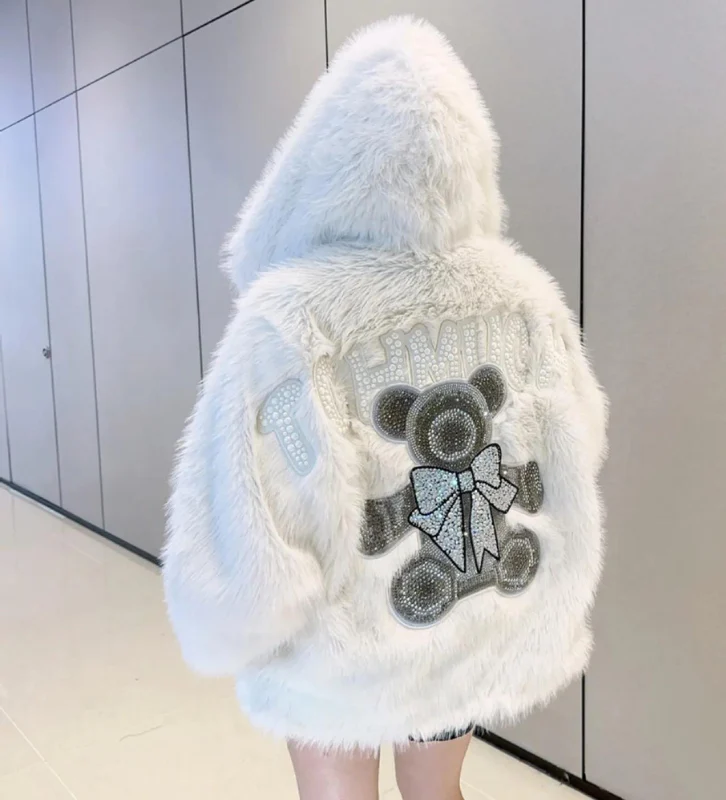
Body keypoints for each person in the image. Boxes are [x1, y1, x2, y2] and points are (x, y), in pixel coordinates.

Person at [163, 17, 607, 800]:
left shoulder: (292, 317)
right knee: (438, 794)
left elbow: (250, 508)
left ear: (320, 162)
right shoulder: (524, 298)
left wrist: (234, 625)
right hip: (468, 626)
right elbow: (581, 439)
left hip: (346, 653)